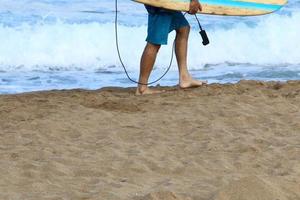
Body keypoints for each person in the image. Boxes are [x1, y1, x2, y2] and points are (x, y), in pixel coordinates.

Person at [136, 0, 207, 95]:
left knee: (183, 28)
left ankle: (184, 77)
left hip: (167, 5)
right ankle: (142, 87)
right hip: (162, 5)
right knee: (154, 42)